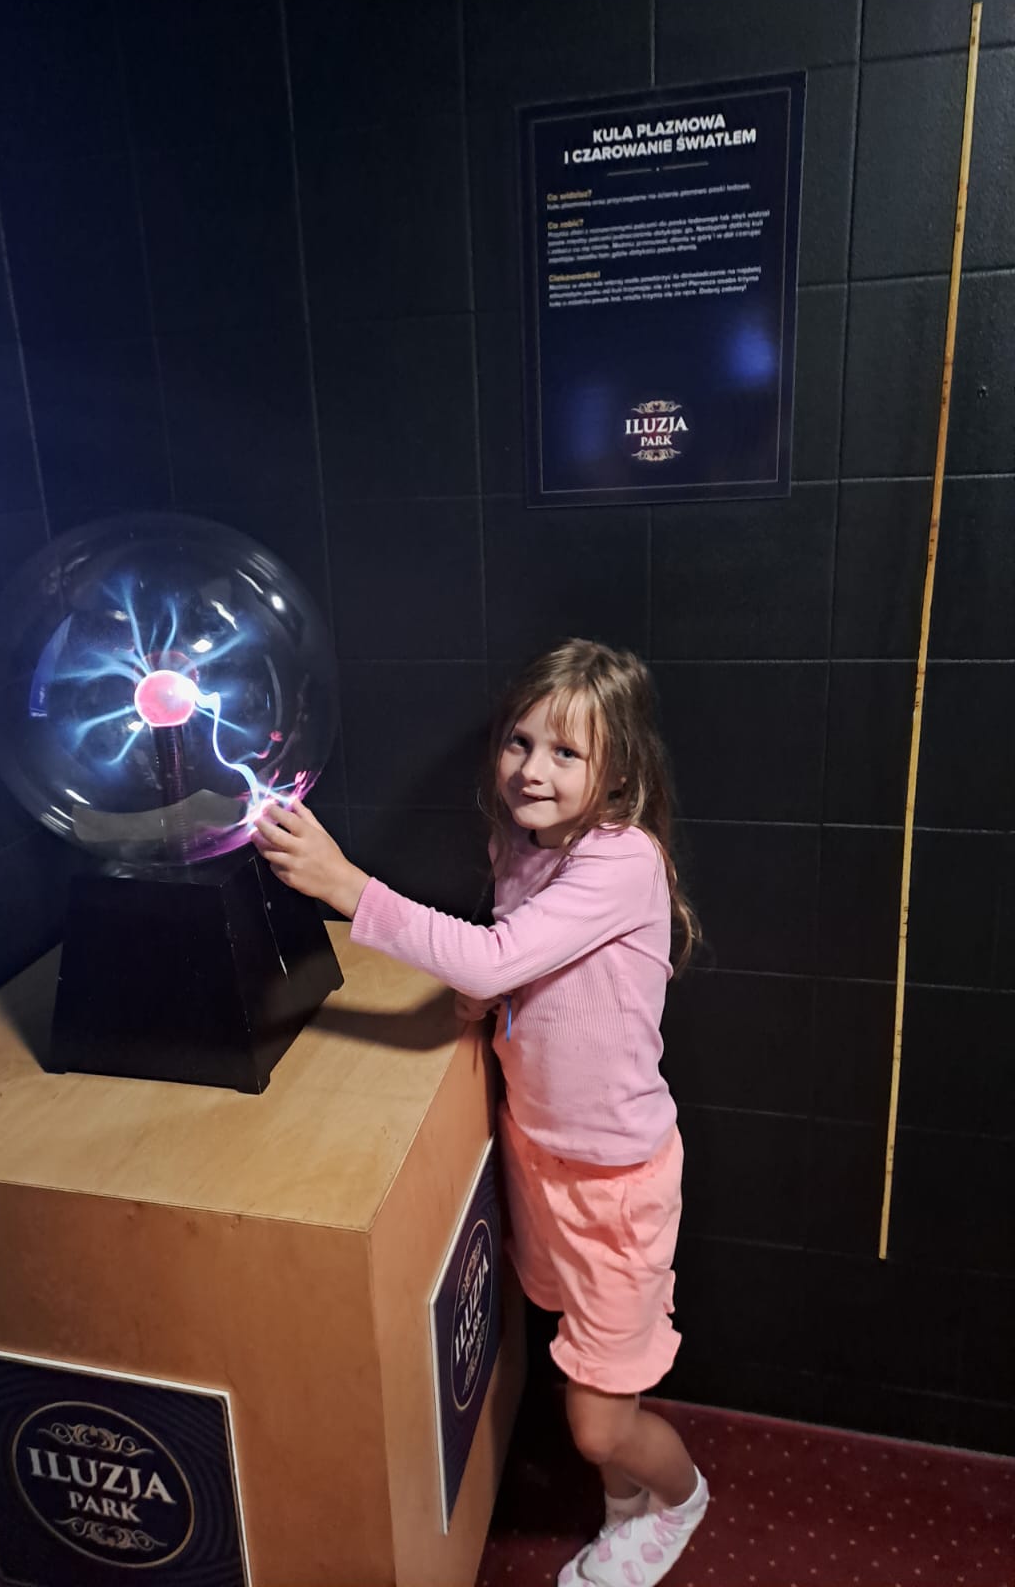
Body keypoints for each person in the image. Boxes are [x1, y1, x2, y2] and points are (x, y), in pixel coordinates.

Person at [251, 639, 708, 1587]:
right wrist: (485, 997)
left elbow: (500, 955)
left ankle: (678, 1499)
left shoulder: (623, 859)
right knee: (570, 1358)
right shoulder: (525, 847)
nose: (532, 769)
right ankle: (625, 1503)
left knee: (600, 1423)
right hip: (541, 1160)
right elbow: (524, 955)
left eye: (567, 753)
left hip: (616, 1185)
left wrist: (346, 886)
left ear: (620, 772)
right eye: (520, 742)